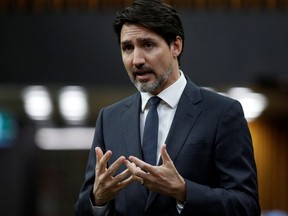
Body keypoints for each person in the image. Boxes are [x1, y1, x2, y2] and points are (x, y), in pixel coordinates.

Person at [75, 0, 260, 215]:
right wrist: (98, 199)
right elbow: (83, 209)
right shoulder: (109, 119)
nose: (137, 60)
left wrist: (183, 191)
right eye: (128, 48)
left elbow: (246, 206)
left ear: (176, 46)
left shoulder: (222, 113)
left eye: (148, 45)